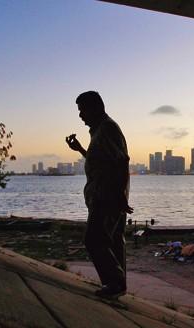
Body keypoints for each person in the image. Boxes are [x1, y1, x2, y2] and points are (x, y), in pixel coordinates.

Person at [66, 91, 133, 299]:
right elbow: (102, 161)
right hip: (104, 194)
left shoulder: (107, 128)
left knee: (94, 239)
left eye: (82, 110)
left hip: (108, 195)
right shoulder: (98, 131)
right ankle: (117, 284)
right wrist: (81, 150)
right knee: (112, 240)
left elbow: (121, 161)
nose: (80, 116)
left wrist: (120, 195)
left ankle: (114, 282)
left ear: (95, 107)